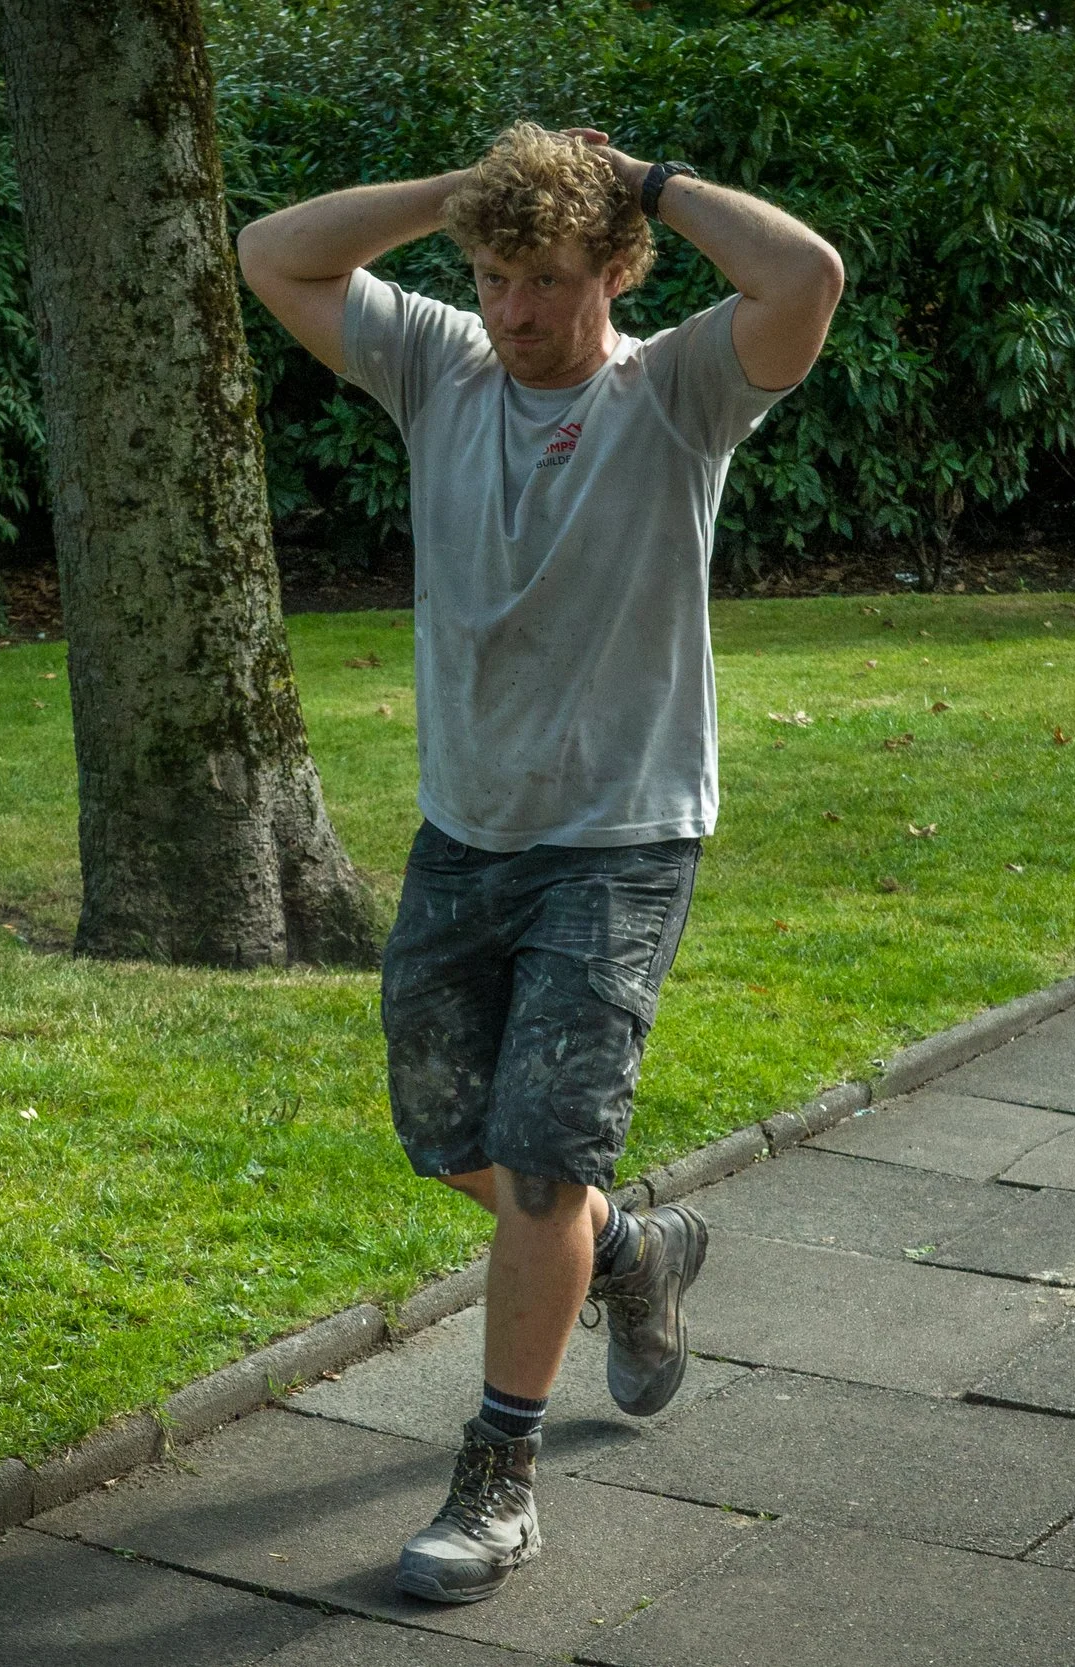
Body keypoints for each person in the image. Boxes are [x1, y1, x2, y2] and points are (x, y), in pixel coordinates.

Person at [236, 122, 844, 1604]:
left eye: (549, 280)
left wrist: (649, 183)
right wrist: (458, 197)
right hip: (467, 828)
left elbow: (806, 278)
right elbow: (271, 255)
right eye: (496, 277)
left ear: (617, 271)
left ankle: (498, 1475)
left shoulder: (678, 393)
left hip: (622, 840)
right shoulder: (437, 365)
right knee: (451, 1136)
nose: (514, 311)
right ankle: (634, 1251)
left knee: (541, 1161)